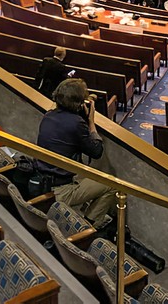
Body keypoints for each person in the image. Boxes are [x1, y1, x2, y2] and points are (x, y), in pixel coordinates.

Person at [35, 78, 114, 228]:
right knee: (113, 185)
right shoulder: (76, 123)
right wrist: (91, 121)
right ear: (79, 103)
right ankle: (88, 226)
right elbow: (97, 151)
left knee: (90, 175)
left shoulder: (49, 115)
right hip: (60, 189)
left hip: (43, 180)